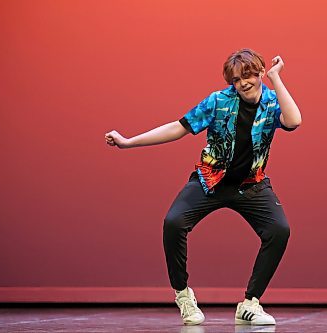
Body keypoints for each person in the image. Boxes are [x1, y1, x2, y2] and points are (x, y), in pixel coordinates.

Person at [105, 48, 302, 326]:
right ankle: (184, 297)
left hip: (251, 185)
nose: (243, 83)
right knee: (173, 222)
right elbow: (179, 127)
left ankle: (250, 304)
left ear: (259, 74)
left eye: (248, 75)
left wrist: (276, 78)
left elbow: (293, 121)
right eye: (236, 79)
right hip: (210, 180)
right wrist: (128, 142)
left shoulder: (272, 102)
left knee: (278, 231)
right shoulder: (219, 101)